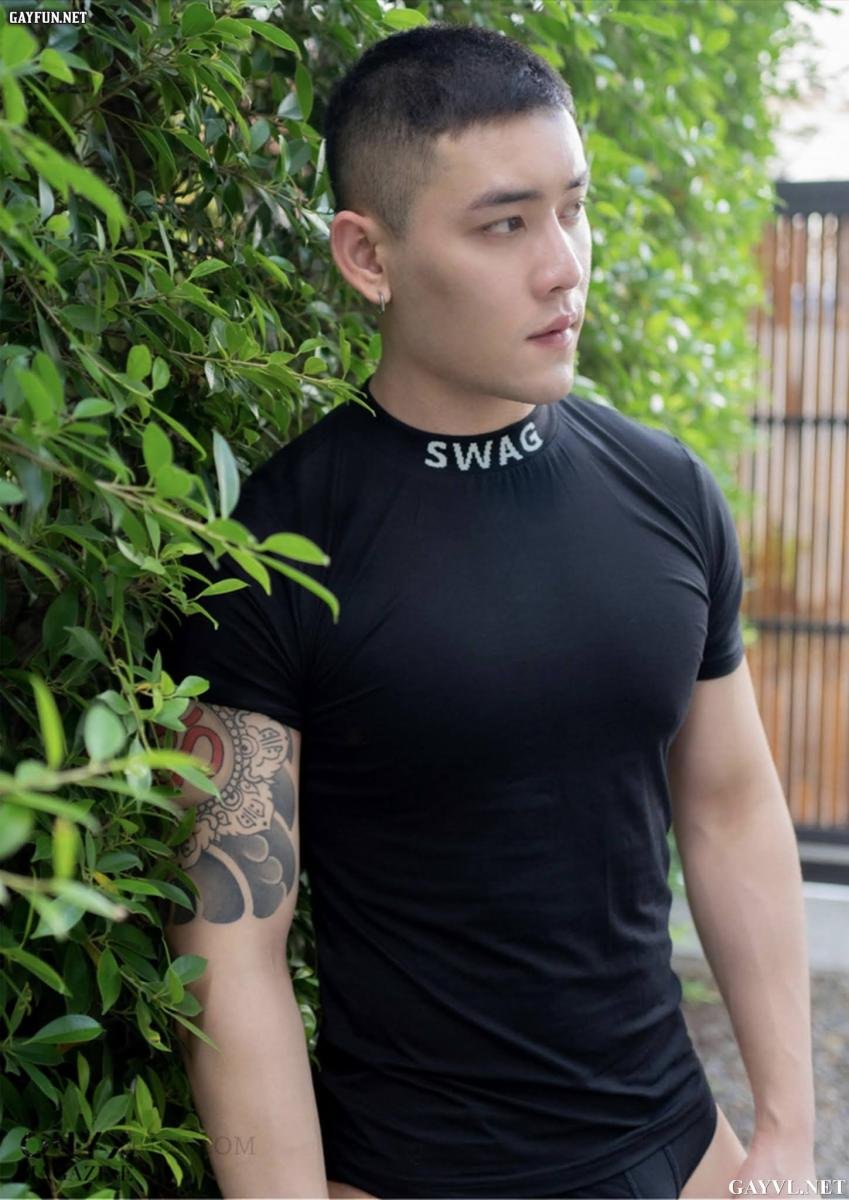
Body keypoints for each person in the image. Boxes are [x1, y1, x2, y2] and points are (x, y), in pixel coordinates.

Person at [151, 22, 817, 1200]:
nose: (564, 266)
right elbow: (229, 940)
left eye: (574, 208)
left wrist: (790, 1138)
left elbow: (728, 809)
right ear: (369, 255)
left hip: (679, 1159)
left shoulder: (668, 493)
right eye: (505, 225)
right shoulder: (273, 551)